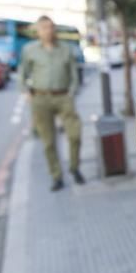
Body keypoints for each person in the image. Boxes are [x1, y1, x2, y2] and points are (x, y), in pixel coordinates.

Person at [21, 15, 85, 192]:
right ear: (38, 31)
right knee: (48, 141)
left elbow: (74, 74)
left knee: (75, 135)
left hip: (63, 97)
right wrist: (26, 92)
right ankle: (56, 176)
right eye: (44, 28)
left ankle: (75, 168)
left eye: (51, 27)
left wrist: (72, 92)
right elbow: (23, 73)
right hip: (40, 98)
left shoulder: (66, 49)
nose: (48, 31)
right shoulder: (29, 50)